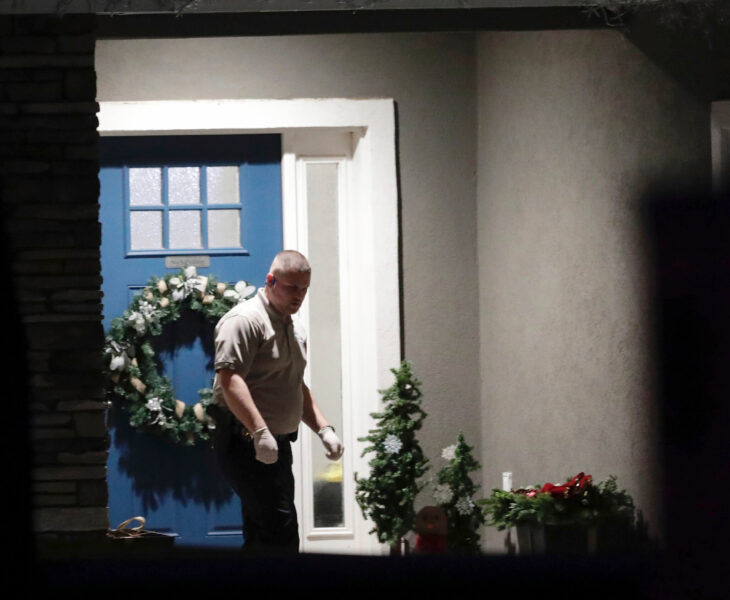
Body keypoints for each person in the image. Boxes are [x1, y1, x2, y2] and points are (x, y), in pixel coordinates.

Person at [210, 250, 344, 556]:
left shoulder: (294, 327)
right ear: (270, 280)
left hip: (276, 446)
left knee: (263, 534)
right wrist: (260, 431)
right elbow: (230, 380)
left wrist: (324, 429)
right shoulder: (245, 320)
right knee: (280, 534)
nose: (299, 296)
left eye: (304, 289)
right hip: (245, 443)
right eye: (292, 287)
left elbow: (294, 384)